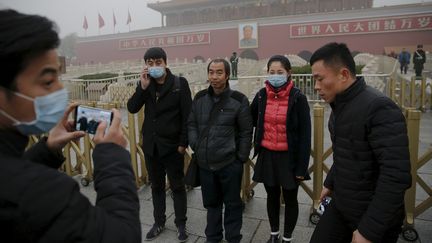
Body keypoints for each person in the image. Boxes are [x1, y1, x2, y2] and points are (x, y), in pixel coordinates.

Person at [0, 9, 141, 243]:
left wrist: (46, 151)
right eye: (47, 80)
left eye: (59, 77)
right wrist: (113, 156)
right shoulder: (44, 193)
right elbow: (123, 235)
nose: (60, 91)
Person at [309, 42, 411, 243]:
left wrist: (368, 231)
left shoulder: (379, 108)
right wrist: (330, 183)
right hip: (343, 203)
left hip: (373, 214)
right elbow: (348, 151)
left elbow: (395, 175)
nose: (316, 87)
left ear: (344, 74)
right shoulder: (339, 106)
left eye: (320, 79)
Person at [127, 47, 192, 242]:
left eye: (158, 62)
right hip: (152, 147)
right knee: (156, 186)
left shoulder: (180, 84)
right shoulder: (147, 85)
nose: (154, 67)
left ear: (165, 63)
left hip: (173, 147)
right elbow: (132, 108)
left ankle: (181, 223)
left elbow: (187, 116)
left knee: (177, 186)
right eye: (150, 63)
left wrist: (183, 143)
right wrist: (142, 87)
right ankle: (159, 222)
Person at [188, 59, 253, 243]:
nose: (214, 77)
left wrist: (240, 157)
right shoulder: (199, 98)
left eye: (218, 72)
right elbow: (191, 123)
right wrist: (195, 145)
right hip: (206, 163)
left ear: (227, 75)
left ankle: (233, 237)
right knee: (212, 204)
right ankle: (213, 237)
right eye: (211, 72)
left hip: (229, 163)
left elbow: (246, 131)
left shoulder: (238, 100)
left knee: (233, 204)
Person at [250, 55, 311, 243]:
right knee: (272, 196)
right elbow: (249, 119)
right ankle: (274, 234)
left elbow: (305, 135)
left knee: (291, 198)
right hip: (268, 154)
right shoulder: (261, 95)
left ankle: (287, 237)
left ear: (288, 73)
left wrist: (302, 168)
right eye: (271, 72)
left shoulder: (298, 98)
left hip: (288, 157)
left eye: (280, 72)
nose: (275, 76)